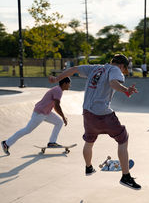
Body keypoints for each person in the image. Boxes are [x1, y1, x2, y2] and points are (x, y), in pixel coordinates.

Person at [49, 54, 141, 190]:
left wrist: (57, 78)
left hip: (87, 113)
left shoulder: (95, 68)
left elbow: (74, 69)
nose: (122, 72)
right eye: (123, 70)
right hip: (102, 113)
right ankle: (125, 176)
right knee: (123, 137)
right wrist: (126, 90)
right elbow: (113, 83)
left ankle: (88, 167)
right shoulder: (115, 69)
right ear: (121, 65)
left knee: (89, 140)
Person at [1, 77, 70, 156]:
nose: (69, 86)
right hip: (40, 113)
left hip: (46, 113)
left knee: (59, 122)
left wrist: (62, 117)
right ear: (64, 83)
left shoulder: (57, 89)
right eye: (69, 84)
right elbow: (57, 105)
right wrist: (63, 117)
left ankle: (52, 142)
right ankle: (6, 143)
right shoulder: (58, 90)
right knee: (27, 130)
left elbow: (55, 106)